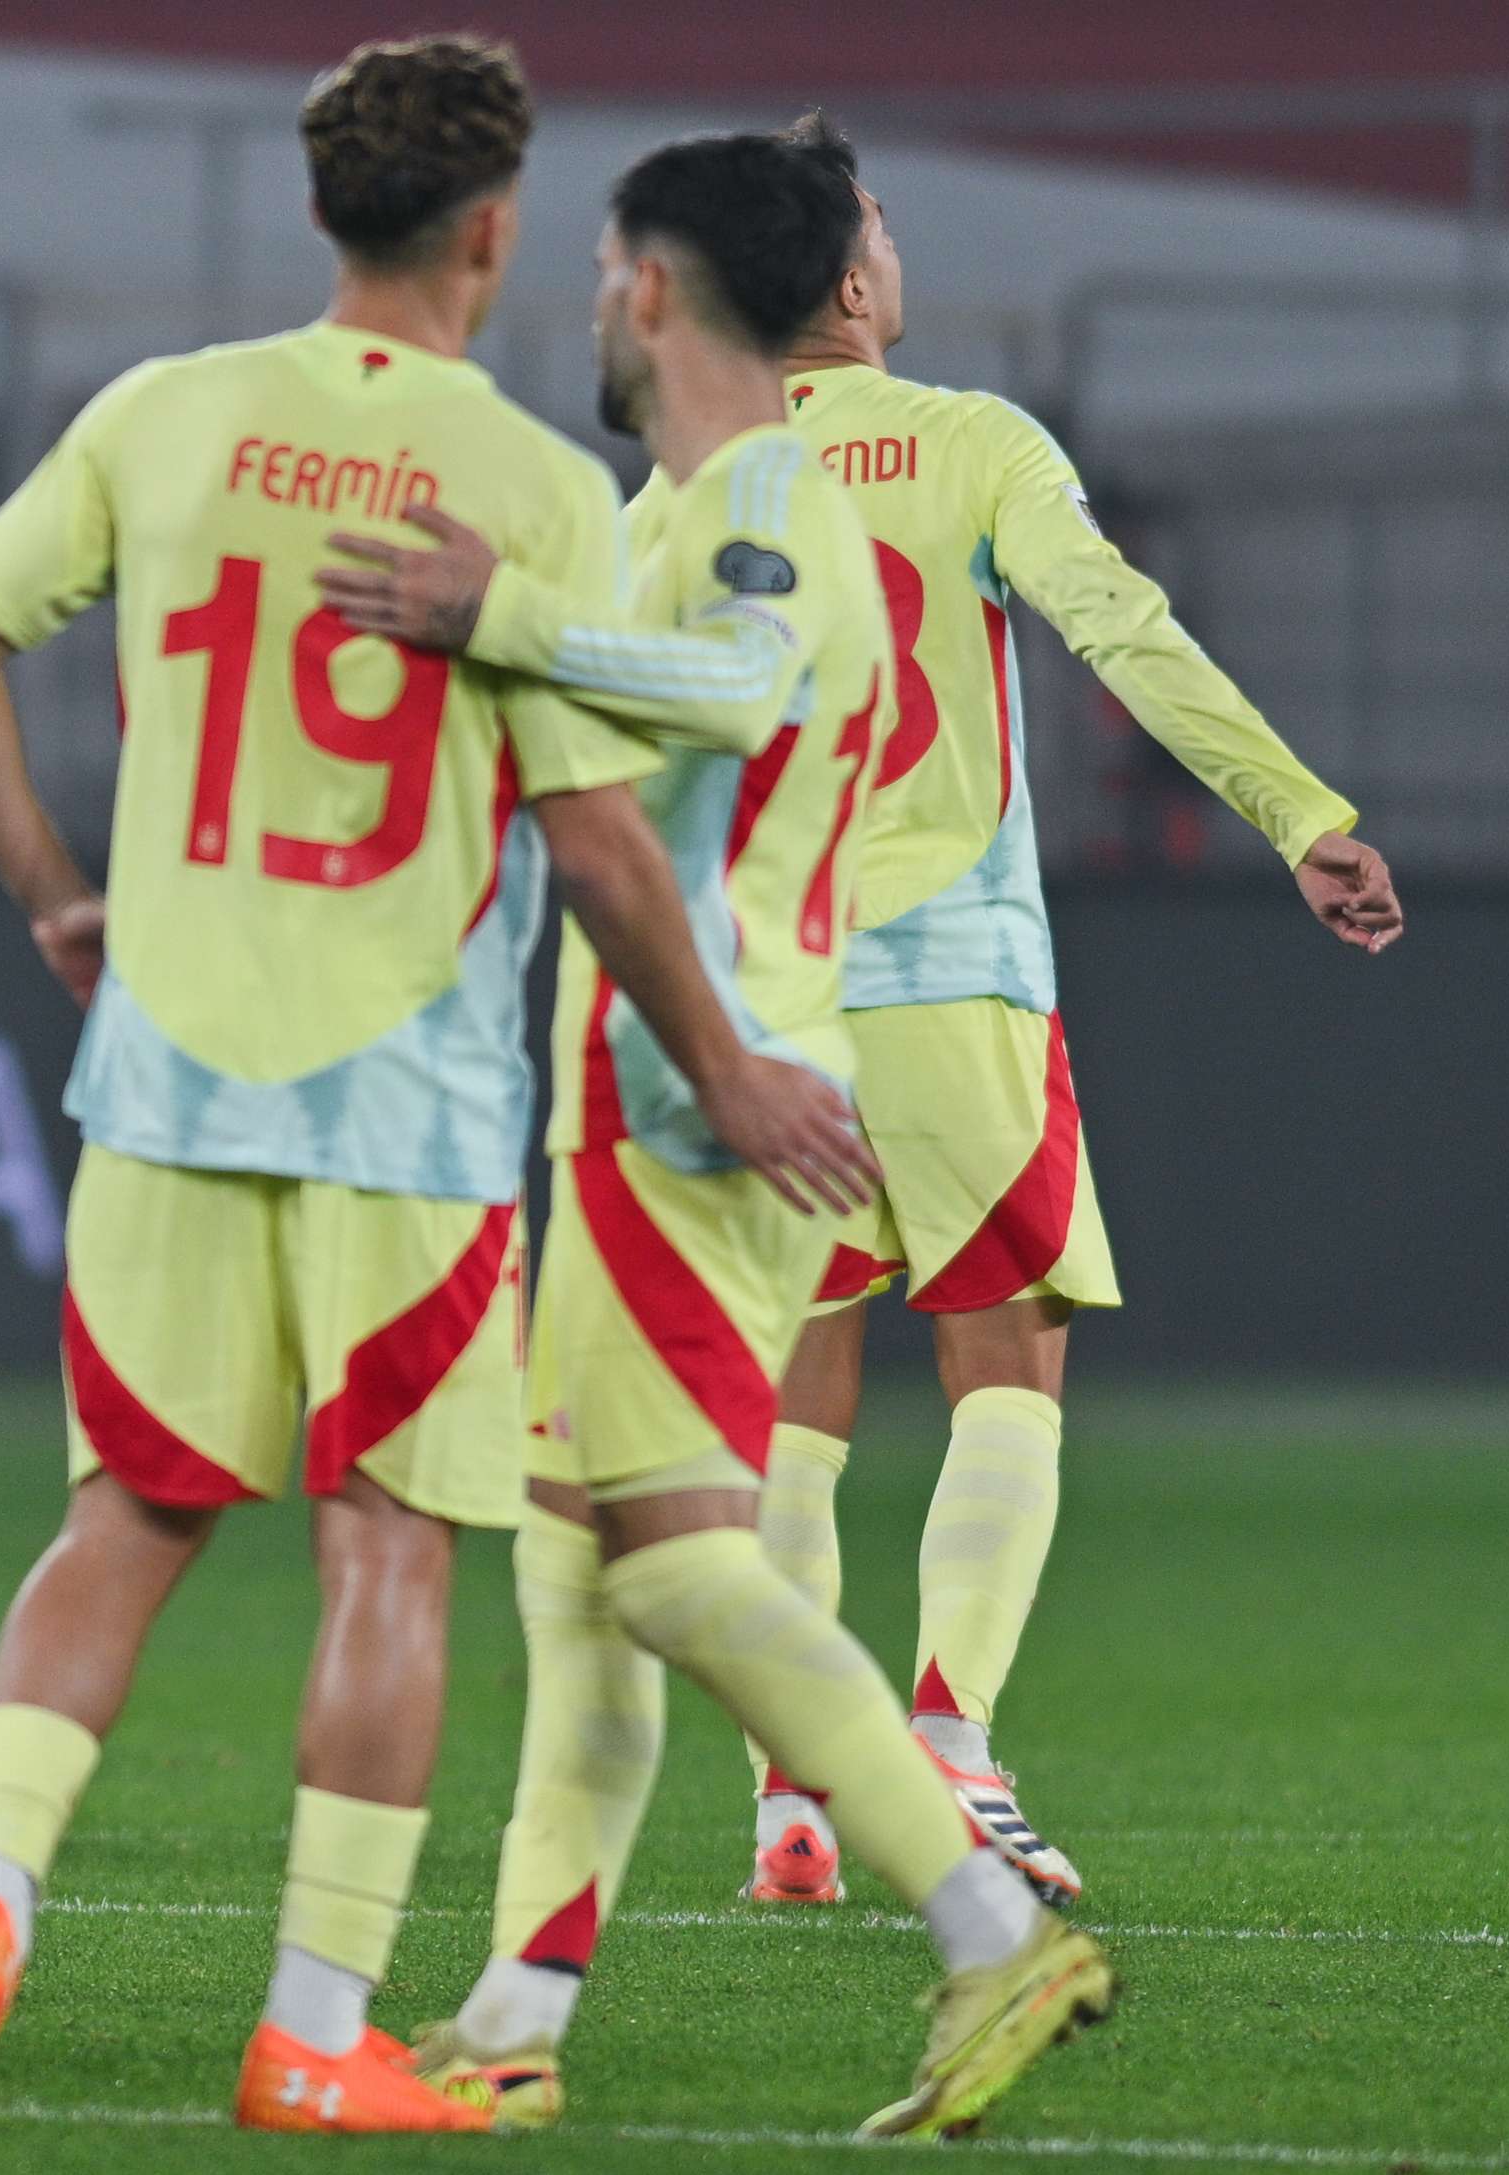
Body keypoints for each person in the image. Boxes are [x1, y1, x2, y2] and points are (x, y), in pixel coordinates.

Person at [0, 39, 876, 2134]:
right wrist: (729, 1071)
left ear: (324, 213)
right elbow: (593, 848)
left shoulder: (163, 414)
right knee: (389, 1558)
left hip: (159, 1084)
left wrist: (59, 894)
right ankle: (314, 2027)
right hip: (396, 1109)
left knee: (119, 1523)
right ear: (490, 232)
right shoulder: (531, 485)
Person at [316, 128, 1117, 2139]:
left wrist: (504, 622)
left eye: (602, 267)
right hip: (640, 1093)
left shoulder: (757, 501)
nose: (584, 299)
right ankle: (511, 2009)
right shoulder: (675, 501)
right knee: (576, 1576)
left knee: (669, 1571)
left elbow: (741, 680)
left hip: (707, 1099)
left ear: (659, 289)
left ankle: (973, 1915)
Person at [723, 114, 1406, 1908]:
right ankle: (947, 1744)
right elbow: (1116, 622)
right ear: (855, 280)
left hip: (766, 993)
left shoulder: (683, 483)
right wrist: (1299, 814)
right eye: (880, 221)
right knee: (1004, 1355)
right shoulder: (970, 443)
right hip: (954, 979)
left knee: (797, 1392)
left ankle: (792, 1796)